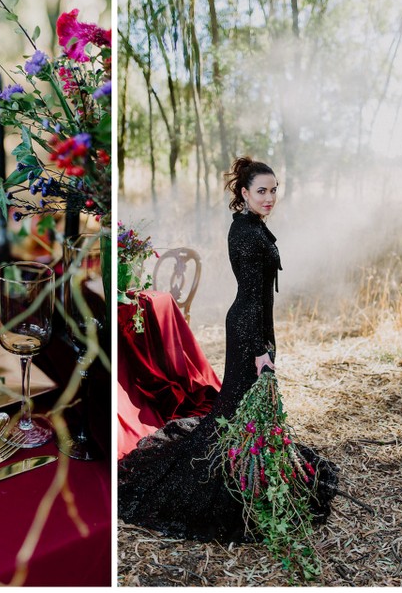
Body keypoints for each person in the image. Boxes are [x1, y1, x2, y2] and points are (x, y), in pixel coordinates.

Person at [117, 157, 338, 542]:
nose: (269, 198)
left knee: (244, 404)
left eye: (273, 190)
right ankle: (235, 472)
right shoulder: (247, 233)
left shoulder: (250, 225)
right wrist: (259, 350)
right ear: (244, 193)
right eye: (261, 191)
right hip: (248, 328)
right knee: (239, 403)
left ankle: (250, 457)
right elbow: (253, 298)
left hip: (255, 325)